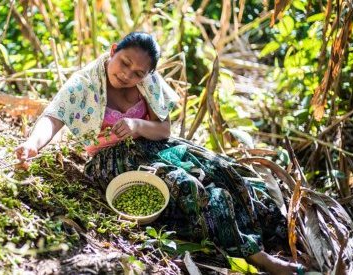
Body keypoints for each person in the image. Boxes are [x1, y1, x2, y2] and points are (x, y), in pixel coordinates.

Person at [15, 32, 305, 275]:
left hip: (155, 146)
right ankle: (255, 256)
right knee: (187, 186)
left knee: (225, 171)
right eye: (124, 62)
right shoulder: (83, 83)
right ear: (113, 51)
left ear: (148, 73)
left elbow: (163, 130)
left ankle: (280, 236)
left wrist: (136, 125)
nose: (127, 74)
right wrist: (32, 144)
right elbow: (53, 117)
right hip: (112, 160)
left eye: (138, 72)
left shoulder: (146, 82)